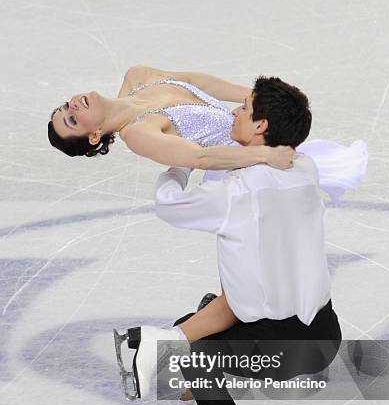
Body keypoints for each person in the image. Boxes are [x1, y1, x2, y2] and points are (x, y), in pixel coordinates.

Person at [48, 66, 366, 367]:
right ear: (94, 136)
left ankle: (207, 341)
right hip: (240, 165)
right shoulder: (138, 133)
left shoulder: (138, 76)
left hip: (254, 132)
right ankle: (198, 364)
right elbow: (199, 157)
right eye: (72, 120)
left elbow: (195, 81)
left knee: (274, 265)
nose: (73, 106)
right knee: (255, 272)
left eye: (66, 107)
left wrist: (260, 101)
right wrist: (264, 154)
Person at [117, 76, 344, 405]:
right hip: (326, 334)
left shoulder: (237, 194)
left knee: (188, 352)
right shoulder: (303, 167)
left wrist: (182, 160)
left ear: (261, 126)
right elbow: (262, 169)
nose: (234, 111)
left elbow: (170, 206)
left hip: (282, 348)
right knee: (206, 309)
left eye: (245, 107)